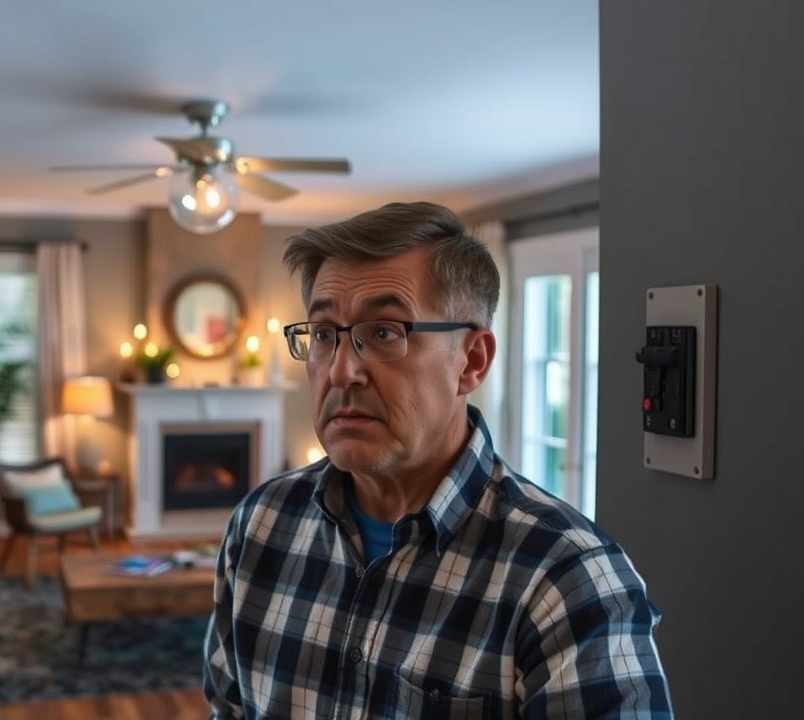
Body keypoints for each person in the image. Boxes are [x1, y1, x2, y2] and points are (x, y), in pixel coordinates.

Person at [204, 202, 672, 718]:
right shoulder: (260, 525)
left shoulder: (566, 579)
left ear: (472, 361)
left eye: (384, 333)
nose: (342, 372)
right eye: (323, 335)